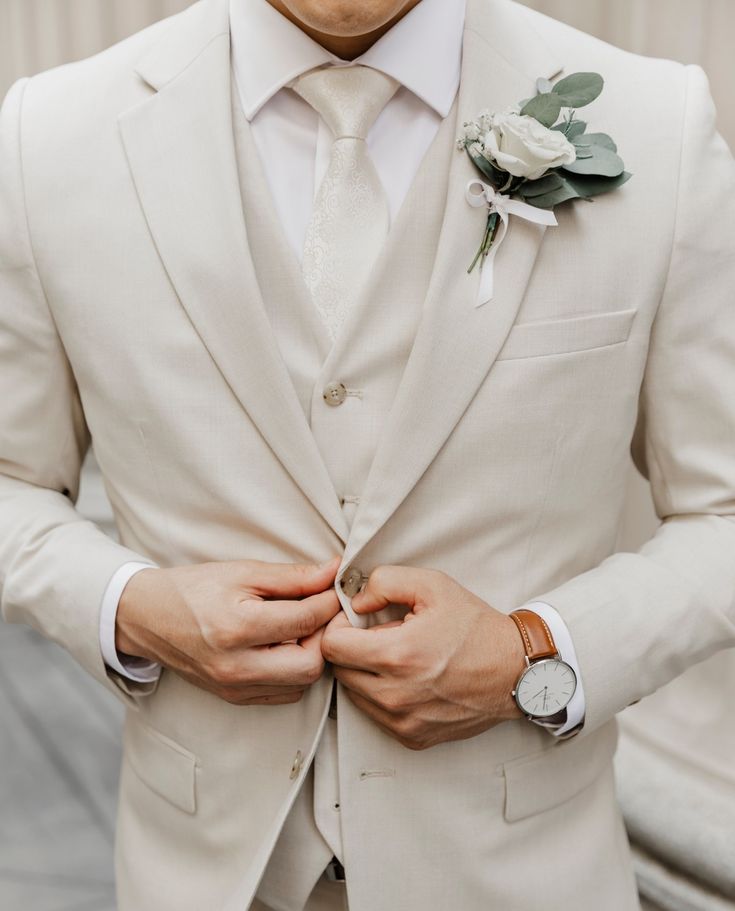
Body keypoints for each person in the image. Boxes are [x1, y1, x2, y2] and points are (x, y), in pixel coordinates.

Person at [1, 0, 734, 908]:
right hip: (207, 875)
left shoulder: (656, 125)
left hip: (520, 877)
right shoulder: (49, 136)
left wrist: (536, 653)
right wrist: (134, 608)